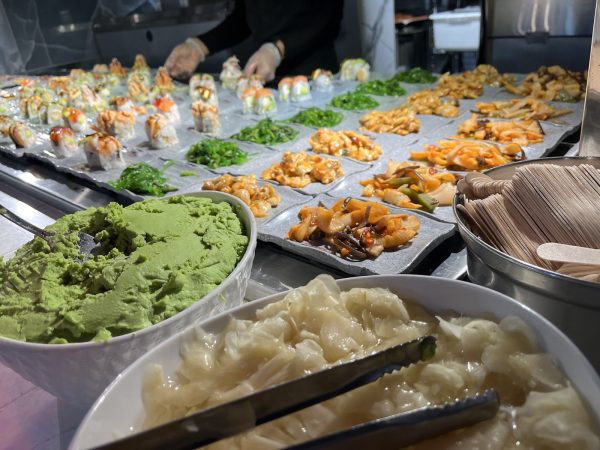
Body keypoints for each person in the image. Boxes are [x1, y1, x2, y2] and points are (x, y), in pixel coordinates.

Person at [165, 0, 344, 81]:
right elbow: (245, 17)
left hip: (314, 76)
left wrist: (278, 49)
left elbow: (325, 15)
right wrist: (200, 46)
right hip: (266, 77)